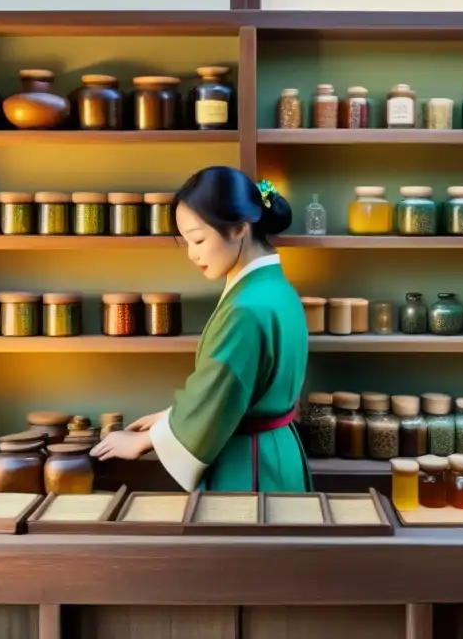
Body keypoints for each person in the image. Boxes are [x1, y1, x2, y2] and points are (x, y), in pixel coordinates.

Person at [90, 166, 311, 492]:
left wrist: (147, 440)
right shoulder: (277, 289)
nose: (192, 254)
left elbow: (222, 391)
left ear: (239, 228)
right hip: (279, 453)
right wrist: (171, 417)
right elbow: (234, 388)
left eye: (198, 239)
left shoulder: (246, 310)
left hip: (249, 466)